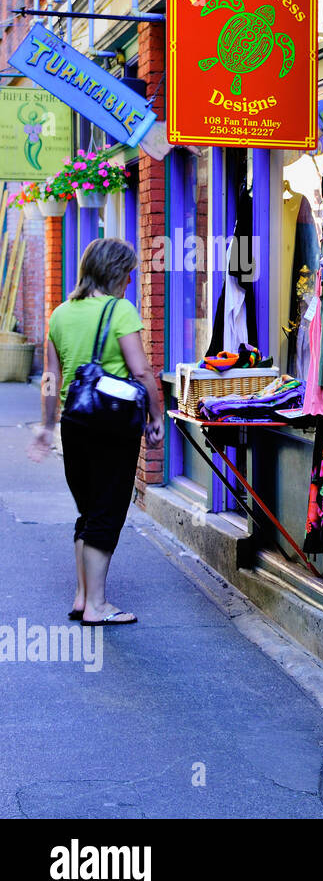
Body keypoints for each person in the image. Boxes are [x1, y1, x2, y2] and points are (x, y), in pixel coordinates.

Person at [28, 238, 165, 626]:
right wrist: (157, 416)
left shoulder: (60, 314)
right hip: (112, 424)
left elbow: (51, 378)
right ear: (117, 273)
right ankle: (97, 606)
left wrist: (45, 425)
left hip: (75, 422)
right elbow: (140, 371)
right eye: (129, 274)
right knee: (107, 512)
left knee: (89, 512)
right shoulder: (120, 310)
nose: (131, 281)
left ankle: (82, 596)